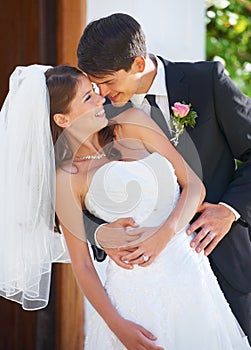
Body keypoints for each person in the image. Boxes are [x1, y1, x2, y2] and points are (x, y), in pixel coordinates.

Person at [0, 64, 250, 349]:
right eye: (87, 98)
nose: (101, 100)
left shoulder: (133, 121)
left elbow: (194, 186)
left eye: (95, 92)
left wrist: (163, 235)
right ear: (62, 119)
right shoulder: (66, 178)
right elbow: (82, 264)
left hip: (191, 277)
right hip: (132, 295)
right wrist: (118, 327)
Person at [77, 12, 251, 342]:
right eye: (94, 83)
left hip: (221, 259)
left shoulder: (207, 81)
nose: (101, 92)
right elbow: (78, 185)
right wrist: (99, 233)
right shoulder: (102, 112)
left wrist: (229, 209)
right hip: (144, 284)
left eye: (109, 81)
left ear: (138, 64)